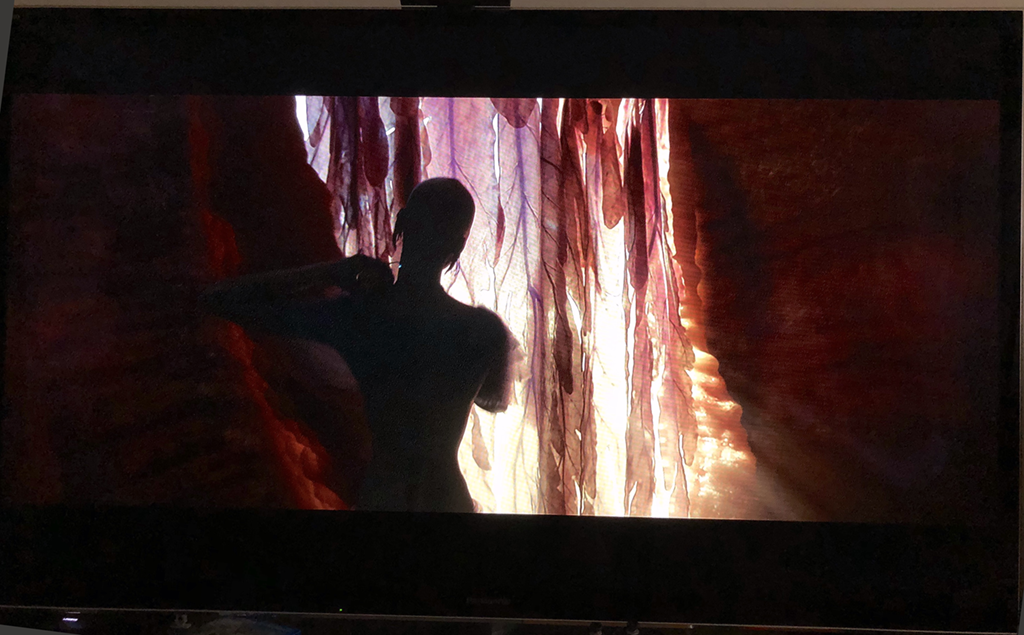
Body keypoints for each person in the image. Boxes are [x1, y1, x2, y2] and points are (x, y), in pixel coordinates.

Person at [200, 178, 514, 513]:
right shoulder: (482, 331)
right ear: (459, 245)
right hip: (447, 501)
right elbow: (493, 401)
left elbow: (218, 300)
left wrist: (328, 272)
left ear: (401, 223)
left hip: (383, 498)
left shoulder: (359, 317)